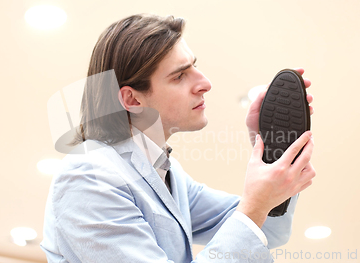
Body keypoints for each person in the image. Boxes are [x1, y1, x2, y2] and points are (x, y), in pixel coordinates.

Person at [40, 13, 316, 263]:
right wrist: (254, 206)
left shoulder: (170, 176)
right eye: (180, 76)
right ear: (132, 99)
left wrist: (271, 151)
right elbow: (252, 214)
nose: (205, 83)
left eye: (194, 67)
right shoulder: (88, 176)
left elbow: (267, 229)